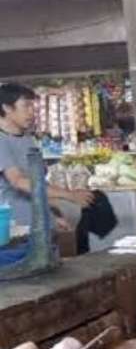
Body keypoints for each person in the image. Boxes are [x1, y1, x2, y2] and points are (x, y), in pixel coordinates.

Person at [0, 83, 96, 235]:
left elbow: (38, 182)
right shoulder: (2, 141)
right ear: (7, 108)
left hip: (39, 223)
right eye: (26, 106)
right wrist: (69, 195)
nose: (32, 112)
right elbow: (19, 181)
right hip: (15, 229)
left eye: (33, 106)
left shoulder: (27, 139)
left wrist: (52, 215)